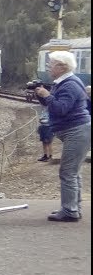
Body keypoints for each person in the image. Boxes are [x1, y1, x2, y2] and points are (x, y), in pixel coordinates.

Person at [34, 50, 91, 222]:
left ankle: (70, 211)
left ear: (62, 66)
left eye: (51, 64)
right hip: (75, 130)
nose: (48, 67)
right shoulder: (63, 82)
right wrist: (43, 97)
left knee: (67, 172)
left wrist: (48, 95)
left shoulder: (70, 84)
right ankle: (73, 208)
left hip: (77, 130)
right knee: (73, 172)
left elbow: (61, 108)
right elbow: (54, 107)